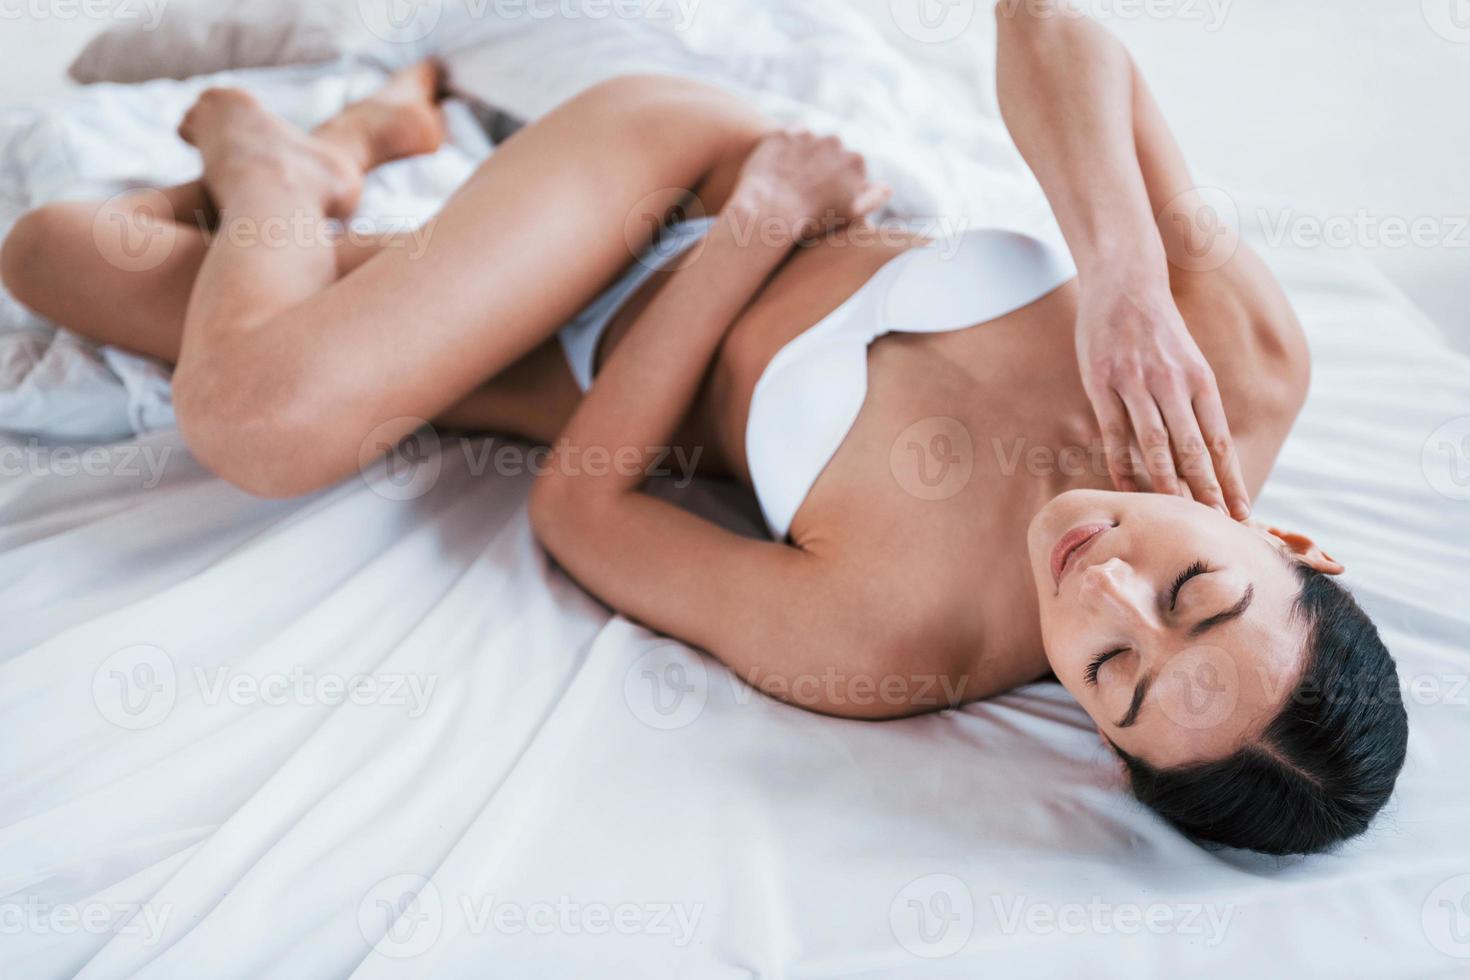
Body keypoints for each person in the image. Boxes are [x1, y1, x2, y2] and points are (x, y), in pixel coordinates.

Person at [0, 5, 1405, 854]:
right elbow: (1042, 20)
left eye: (1111, 669)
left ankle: (330, 156)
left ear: (1101, 739)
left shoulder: (890, 646)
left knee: (58, 251)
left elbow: (582, 514)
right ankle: (279, 155)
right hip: (668, 176)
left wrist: (755, 241)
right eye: (1194, 593)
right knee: (260, 417)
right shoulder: (1238, 362)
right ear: (1287, 542)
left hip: (610, 338)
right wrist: (1120, 274)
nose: (1100, 584)